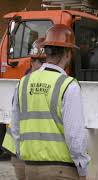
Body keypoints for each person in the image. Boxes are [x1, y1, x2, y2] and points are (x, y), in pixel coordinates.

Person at [11, 24, 90, 180]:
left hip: (30, 168)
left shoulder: (23, 83)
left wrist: (25, 158)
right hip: (61, 171)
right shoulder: (68, 85)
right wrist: (82, 168)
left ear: (46, 52)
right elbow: (74, 136)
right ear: (68, 53)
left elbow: (16, 129)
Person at [1, 37, 47, 180]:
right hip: (23, 151)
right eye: (35, 61)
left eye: (41, 61)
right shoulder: (25, 84)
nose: (38, 65)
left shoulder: (22, 83)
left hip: (26, 151)